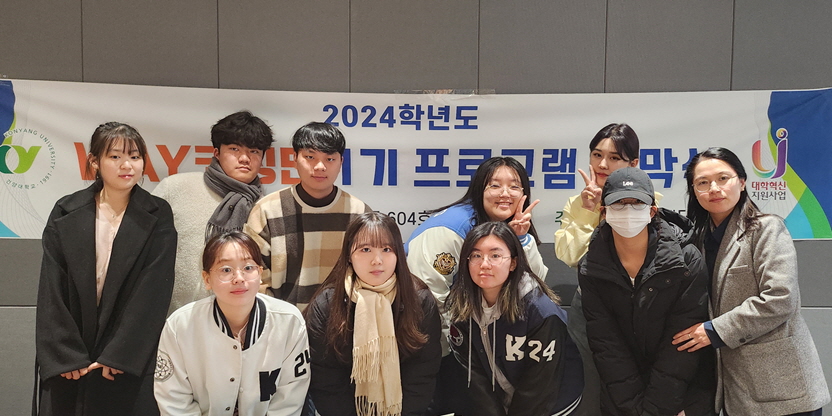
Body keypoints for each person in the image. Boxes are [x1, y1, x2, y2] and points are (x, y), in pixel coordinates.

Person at [673, 147, 829, 416]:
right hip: (735, 391)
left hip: (782, 387)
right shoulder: (695, 241)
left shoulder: (767, 228)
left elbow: (780, 299)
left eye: (723, 178)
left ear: (742, 182)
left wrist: (714, 330)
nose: (714, 188)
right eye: (703, 183)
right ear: (694, 191)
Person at [35, 122, 176, 416]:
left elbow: (153, 291)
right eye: (115, 157)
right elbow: (51, 287)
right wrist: (65, 354)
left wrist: (121, 354)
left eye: (135, 157)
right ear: (95, 161)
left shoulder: (158, 212)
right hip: (71, 359)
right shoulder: (66, 209)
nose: (127, 165)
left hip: (125, 358)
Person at [405, 156, 546, 415]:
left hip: (482, 345)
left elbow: (536, 288)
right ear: (479, 189)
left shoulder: (511, 226)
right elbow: (428, 301)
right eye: (495, 185)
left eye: (514, 186)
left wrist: (522, 239)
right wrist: (455, 355)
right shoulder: (449, 230)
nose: (505, 193)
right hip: (438, 348)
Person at [578, 167, 715, 416]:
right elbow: (607, 345)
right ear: (604, 212)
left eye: (637, 203)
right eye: (619, 203)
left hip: (682, 397)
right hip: (622, 401)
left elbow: (681, 341)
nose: (628, 210)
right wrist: (633, 409)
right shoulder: (592, 268)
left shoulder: (686, 260)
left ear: (652, 211)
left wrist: (656, 410)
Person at [154, 231, 310, 415]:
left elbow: (289, 399)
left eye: (248, 268)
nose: (239, 278)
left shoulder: (289, 322)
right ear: (207, 279)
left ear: (260, 274)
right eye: (226, 270)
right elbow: (174, 401)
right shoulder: (180, 326)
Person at [305, 212, 442, 416]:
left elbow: (422, 375)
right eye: (365, 249)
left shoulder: (419, 300)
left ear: (398, 254)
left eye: (386, 249)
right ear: (349, 255)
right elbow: (326, 381)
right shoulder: (327, 304)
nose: (377, 260)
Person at [553, 123, 648, 416]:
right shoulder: (577, 203)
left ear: (633, 163)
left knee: (633, 388)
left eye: (614, 157)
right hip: (589, 310)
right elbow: (570, 256)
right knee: (587, 387)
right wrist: (588, 211)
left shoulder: (649, 201)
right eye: (597, 155)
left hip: (636, 308)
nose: (603, 164)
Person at [446, 221, 583, 416]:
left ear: (513, 263)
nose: (484, 264)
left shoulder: (540, 311)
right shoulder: (461, 304)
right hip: (501, 399)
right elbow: (474, 376)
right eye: (476, 256)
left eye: (495, 256)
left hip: (551, 403)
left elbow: (540, 386)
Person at [154, 110, 274, 314]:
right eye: (234, 149)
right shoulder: (175, 189)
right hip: (176, 316)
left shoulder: (266, 206)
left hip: (241, 318)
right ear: (217, 153)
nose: (244, 158)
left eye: (254, 151)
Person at [246, 122, 371, 309]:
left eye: (330, 159)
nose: (320, 166)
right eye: (310, 157)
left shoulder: (359, 212)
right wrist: (278, 318)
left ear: (341, 163)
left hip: (343, 321)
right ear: (294, 158)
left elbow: (371, 273)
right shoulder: (267, 210)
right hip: (283, 320)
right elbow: (253, 275)